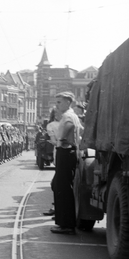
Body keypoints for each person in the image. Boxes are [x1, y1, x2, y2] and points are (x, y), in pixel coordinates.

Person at [50, 91, 82, 235]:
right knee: (61, 186)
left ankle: (66, 224)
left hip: (65, 151)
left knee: (63, 189)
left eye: (59, 102)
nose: (57, 105)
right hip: (70, 152)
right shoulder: (73, 115)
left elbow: (69, 126)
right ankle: (64, 222)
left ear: (68, 102)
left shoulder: (68, 116)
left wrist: (62, 139)